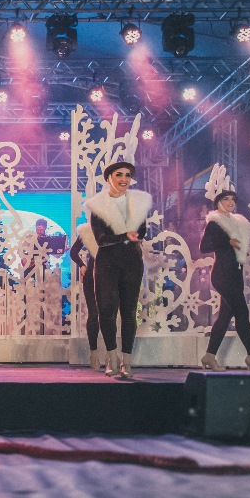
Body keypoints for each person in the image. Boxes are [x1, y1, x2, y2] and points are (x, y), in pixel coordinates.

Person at [84, 161, 151, 378]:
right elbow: (101, 240)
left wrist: (132, 236)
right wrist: (125, 236)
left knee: (129, 312)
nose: (124, 179)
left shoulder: (138, 204)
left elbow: (142, 231)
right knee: (106, 311)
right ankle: (111, 358)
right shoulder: (98, 206)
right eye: (119, 175)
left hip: (132, 262)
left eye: (127, 175)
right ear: (109, 179)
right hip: (106, 263)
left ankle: (127, 362)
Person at [199, 190, 250, 372]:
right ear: (218, 203)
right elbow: (204, 247)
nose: (230, 202)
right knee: (242, 313)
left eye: (233, 199)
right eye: (226, 199)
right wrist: (227, 242)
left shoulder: (237, 222)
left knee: (224, 317)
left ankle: (209, 356)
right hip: (222, 274)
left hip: (235, 274)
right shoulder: (215, 223)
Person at [68, 222, 100, 370]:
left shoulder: (113, 228)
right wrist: (82, 265)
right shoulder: (88, 230)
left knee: (106, 314)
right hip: (92, 275)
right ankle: (94, 353)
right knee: (94, 313)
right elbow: (73, 252)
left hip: (108, 274)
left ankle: (109, 354)